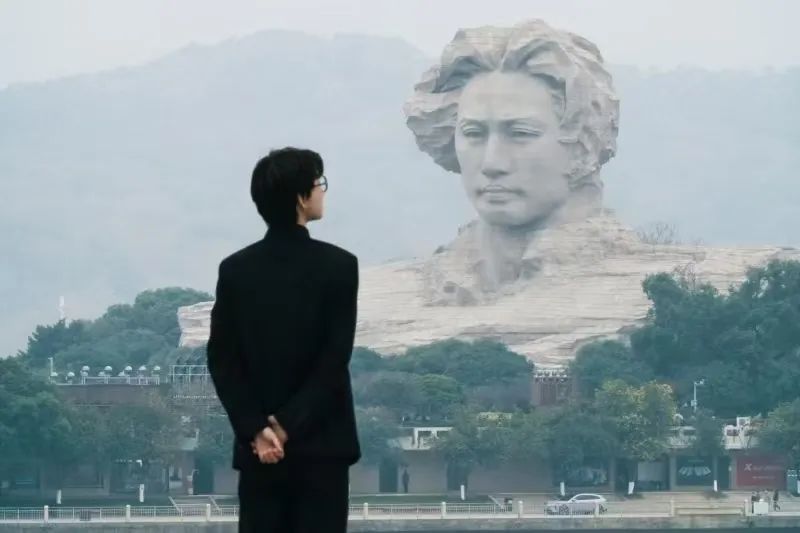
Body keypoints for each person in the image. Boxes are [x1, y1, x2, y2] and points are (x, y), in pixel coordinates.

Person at [206, 147, 360, 533]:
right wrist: (287, 425)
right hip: (323, 449)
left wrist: (257, 429)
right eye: (318, 184)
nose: (322, 191)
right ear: (301, 198)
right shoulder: (340, 266)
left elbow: (223, 361)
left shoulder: (236, 270)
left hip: (260, 452)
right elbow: (334, 359)